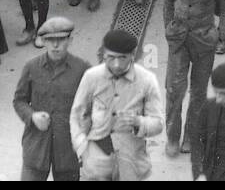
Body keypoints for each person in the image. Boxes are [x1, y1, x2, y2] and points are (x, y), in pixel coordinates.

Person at [162, 0, 225, 157]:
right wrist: (168, 27)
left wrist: (220, 34)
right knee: (174, 90)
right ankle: (173, 138)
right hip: (179, 41)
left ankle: (191, 138)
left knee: (198, 93)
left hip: (203, 41)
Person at [69, 28, 165, 181]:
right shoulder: (91, 77)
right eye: (111, 57)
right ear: (104, 54)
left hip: (132, 161)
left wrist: (139, 122)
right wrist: (82, 148)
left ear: (133, 55)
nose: (117, 64)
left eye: (123, 58)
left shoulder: (147, 80)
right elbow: (77, 115)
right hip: (96, 162)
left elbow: (158, 123)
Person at [12, 15, 91, 181]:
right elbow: (19, 100)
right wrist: (32, 116)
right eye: (50, 40)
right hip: (36, 146)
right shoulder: (31, 67)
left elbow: (93, 106)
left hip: (68, 149)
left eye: (61, 40)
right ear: (43, 42)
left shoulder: (82, 69)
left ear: (70, 40)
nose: (55, 45)